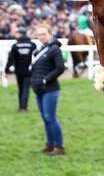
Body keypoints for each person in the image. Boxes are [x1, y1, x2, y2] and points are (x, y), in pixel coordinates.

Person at [30, 24, 66, 156]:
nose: (41, 36)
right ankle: (50, 144)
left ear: (50, 34)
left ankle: (59, 147)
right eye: (39, 34)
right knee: (45, 118)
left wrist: (45, 79)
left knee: (50, 117)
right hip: (39, 89)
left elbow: (60, 67)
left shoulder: (55, 49)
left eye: (44, 33)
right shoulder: (39, 50)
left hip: (51, 89)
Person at [4, 28, 36, 112]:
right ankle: (23, 107)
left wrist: (6, 70)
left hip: (18, 71)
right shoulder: (32, 45)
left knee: (21, 89)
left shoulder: (15, 45)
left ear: (21, 34)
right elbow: (36, 58)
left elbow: (10, 59)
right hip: (29, 71)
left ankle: (21, 107)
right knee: (26, 89)